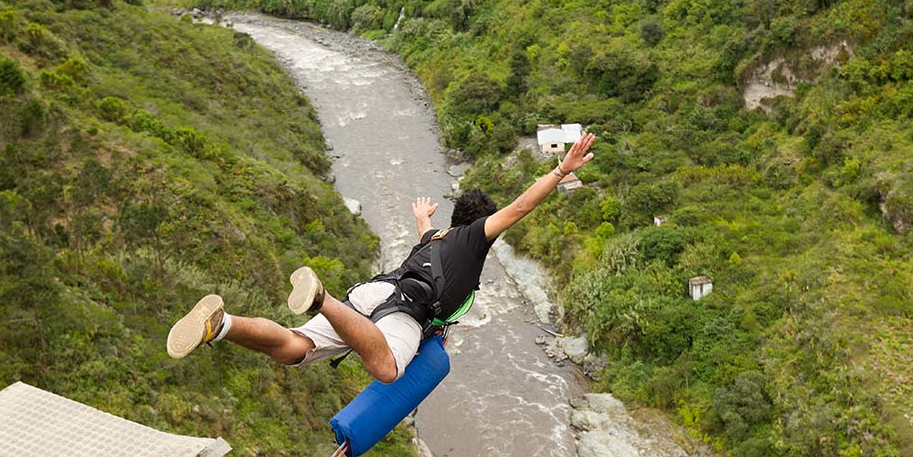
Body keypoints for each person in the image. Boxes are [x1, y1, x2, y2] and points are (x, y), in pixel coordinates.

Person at [166, 133, 596, 382]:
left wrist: (421, 217)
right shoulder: (474, 238)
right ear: (484, 223)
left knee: (294, 348)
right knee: (388, 369)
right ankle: (321, 300)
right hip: (404, 311)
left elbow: (426, 236)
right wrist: (560, 171)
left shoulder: (437, 236)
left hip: (374, 292)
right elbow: (520, 207)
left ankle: (220, 325)